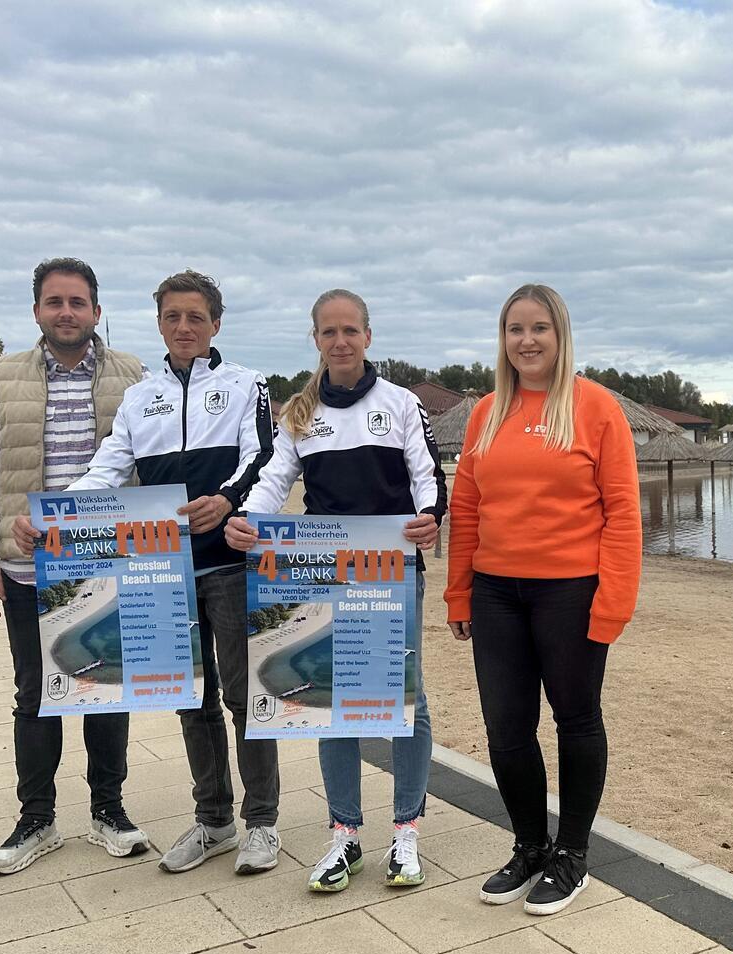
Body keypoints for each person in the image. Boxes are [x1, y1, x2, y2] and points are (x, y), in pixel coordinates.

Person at [15, 269, 281, 874]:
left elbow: (262, 456)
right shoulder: (140, 395)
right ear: (158, 322)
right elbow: (107, 470)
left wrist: (230, 499)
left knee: (246, 698)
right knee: (192, 699)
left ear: (216, 323)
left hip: (231, 565)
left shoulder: (247, 384)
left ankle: (262, 823)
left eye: (195, 317)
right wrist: (52, 518)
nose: (183, 327)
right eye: (172, 317)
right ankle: (215, 821)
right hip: (162, 573)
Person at [225, 288, 445, 893]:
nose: (341, 341)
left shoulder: (401, 403)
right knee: (335, 701)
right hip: (321, 570)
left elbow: (428, 474)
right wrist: (247, 518)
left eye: (351, 330)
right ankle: (344, 833)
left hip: (391, 573)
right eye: (329, 332)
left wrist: (431, 514)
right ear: (316, 340)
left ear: (368, 336)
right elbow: (273, 481)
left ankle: (406, 831)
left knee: (408, 700)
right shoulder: (298, 412)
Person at [445, 284, 641, 916]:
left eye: (539, 329)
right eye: (514, 330)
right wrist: (459, 593)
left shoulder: (595, 408)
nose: (526, 341)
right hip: (498, 591)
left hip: (571, 590)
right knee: (506, 727)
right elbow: (467, 508)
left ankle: (573, 853)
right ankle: (529, 846)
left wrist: (612, 603)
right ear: (502, 341)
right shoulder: (486, 412)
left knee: (576, 719)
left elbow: (622, 515)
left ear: (560, 335)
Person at [0, 258, 148, 874]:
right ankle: (36, 818)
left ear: (97, 310)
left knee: (105, 688)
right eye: (54, 302)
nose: (66, 312)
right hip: (25, 568)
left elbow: (147, 469)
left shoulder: (133, 375)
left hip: (109, 564)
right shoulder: (4, 376)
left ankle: (108, 810)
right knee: (34, 693)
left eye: (77, 302)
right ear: (37, 310)